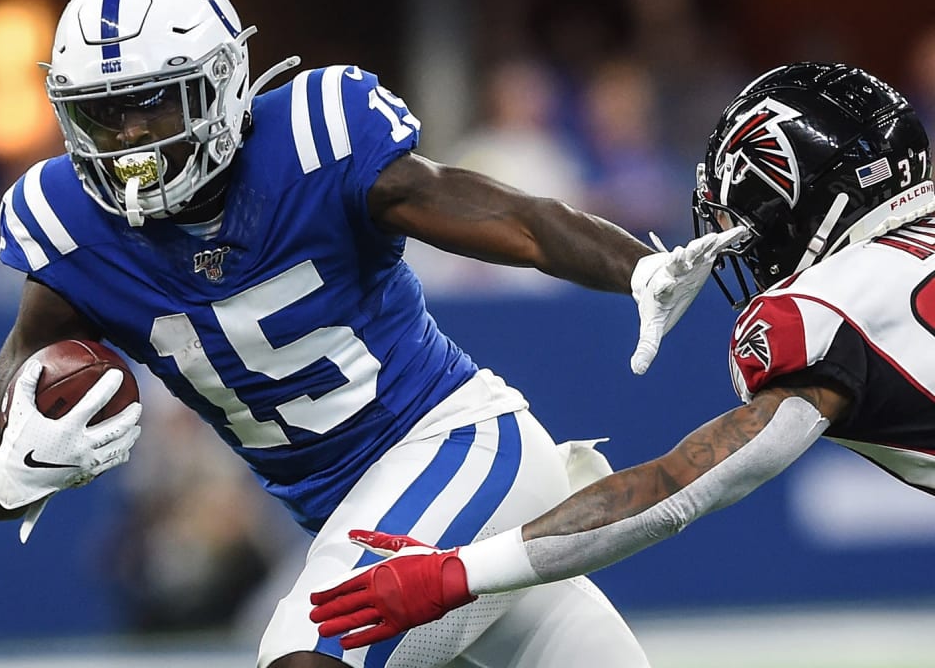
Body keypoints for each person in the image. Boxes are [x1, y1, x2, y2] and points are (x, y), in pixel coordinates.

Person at [0, 0, 745, 667]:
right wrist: (12, 473)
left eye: (154, 106)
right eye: (105, 113)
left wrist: (635, 265)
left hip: (459, 445)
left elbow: (517, 220)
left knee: (310, 651)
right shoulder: (66, 226)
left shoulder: (313, 138)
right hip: (361, 516)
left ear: (224, 81)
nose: (129, 141)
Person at [308, 61, 935, 649]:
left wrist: (456, 572)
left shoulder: (826, 308)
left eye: (750, 227)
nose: (750, 253)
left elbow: (678, 488)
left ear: (803, 203)